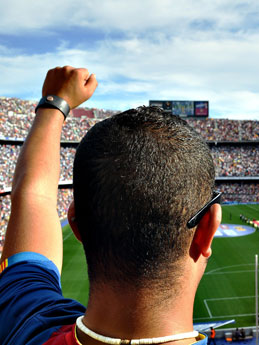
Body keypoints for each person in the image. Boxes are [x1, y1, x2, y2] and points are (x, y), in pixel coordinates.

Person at [0, 66, 222, 345]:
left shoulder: (27, 322)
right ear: (207, 229)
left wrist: (54, 104)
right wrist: (54, 104)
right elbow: (33, 197)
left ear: (76, 225)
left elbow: (33, 197)